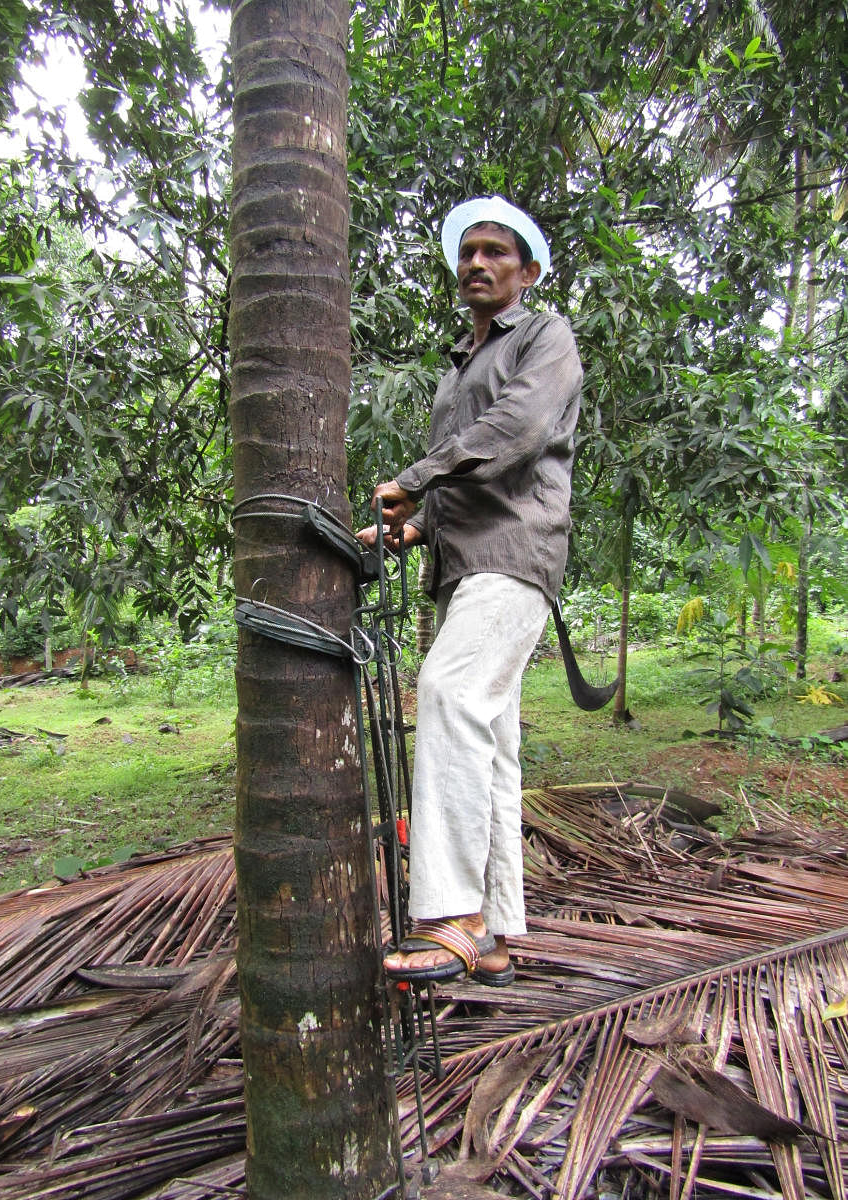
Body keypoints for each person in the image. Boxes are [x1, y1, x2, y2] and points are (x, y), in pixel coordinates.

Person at [358, 195, 582, 986]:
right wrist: (413, 528)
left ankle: (450, 911)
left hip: (517, 556)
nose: (479, 264)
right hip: (464, 564)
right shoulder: (459, 367)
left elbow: (518, 431)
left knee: (448, 693)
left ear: (528, 271)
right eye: (468, 253)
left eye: (496, 252)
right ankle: (497, 933)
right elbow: (465, 475)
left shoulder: (546, 336)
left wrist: (415, 482)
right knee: (494, 748)